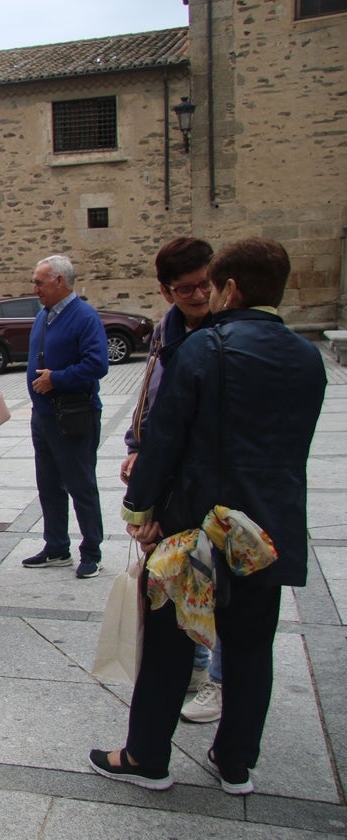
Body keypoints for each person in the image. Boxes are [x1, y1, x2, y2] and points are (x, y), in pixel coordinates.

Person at [89, 237, 325, 796]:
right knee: (250, 647)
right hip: (267, 529)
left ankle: (146, 755)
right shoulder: (307, 356)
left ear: (232, 289)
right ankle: (236, 761)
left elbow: (165, 441)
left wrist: (140, 509)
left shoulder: (206, 349)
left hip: (200, 528)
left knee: (172, 643)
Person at [121, 237, 223, 723]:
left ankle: (214, 675)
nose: (200, 295)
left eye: (206, 284)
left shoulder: (224, 334)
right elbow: (152, 392)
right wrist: (137, 445)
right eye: (187, 290)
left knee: (214, 576)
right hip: (165, 469)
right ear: (166, 291)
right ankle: (196, 666)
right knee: (179, 576)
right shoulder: (169, 328)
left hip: (207, 479)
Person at [22, 254, 109, 579]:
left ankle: (92, 551)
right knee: (48, 485)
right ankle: (56, 547)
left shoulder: (84, 316)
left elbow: (97, 364)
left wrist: (56, 378)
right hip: (44, 417)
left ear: (60, 281)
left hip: (72, 417)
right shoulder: (44, 316)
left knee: (81, 484)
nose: (35, 288)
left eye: (39, 282)